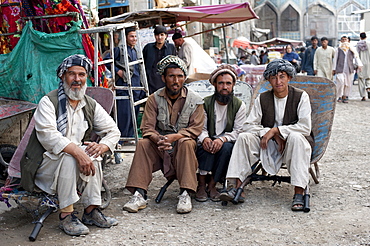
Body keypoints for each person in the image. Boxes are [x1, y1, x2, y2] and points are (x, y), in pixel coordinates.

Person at [31, 54, 121, 236]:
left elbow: (114, 131)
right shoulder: (48, 102)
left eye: (81, 75)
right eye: (72, 74)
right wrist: (78, 153)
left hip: (75, 168)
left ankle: (91, 211)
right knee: (70, 155)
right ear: (62, 76)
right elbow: (48, 136)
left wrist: (102, 146)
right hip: (45, 167)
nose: (77, 79)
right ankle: (67, 215)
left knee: (92, 153)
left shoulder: (89, 104)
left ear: (86, 77)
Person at [220, 59, 314, 211]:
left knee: (296, 137)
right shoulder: (262, 98)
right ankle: (236, 187)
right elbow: (248, 125)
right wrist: (268, 133)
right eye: (273, 77)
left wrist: (277, 131)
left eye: (282, 76)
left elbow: (305, 127)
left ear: (289, 77)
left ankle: (298, 192)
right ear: (268, 79)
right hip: (267, 144)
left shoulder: (301, 96)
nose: (278, 81)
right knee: (244, 137)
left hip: (292, 145)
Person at [122, 55, 204, 214]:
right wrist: (158, 138)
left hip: (182, 145)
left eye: (180, 76)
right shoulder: (154, 98)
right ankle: (140, 194)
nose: (176, 80)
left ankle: (185, 193)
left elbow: (195, 129)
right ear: (163, 78)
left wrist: (175, 137)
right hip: (160, 145)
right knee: (143, 144)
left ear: (184, 78)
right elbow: (147, 127)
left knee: (186, 143)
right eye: (171, 76)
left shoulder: (195, 100)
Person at [195, 65, 247, 202]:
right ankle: (201, 185)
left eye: (228, 83)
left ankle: (212, 185)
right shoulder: (205, 103)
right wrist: (205, 138)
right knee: (206, 147)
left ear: (233, 85)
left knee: (226, 149)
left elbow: (239, 130)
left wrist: (222, 139)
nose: (224, 87)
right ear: (215, 85)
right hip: (208, 138)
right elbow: (200, 127)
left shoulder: (239, 105)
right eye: (221, 83)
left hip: (225, 142)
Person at [104, 27, 145, 138]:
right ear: (126, 37)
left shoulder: (136, 50)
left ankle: (130, 136)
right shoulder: (119, 50)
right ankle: (121, 138)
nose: (134, 39)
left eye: (135, 36)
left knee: (134, 113)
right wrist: (118, 71)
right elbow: (106, 61)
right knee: (124, 114)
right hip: (124, 86)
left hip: (136, 85)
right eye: (131, 36)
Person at [143, 25, 176, 94]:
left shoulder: (171, 47)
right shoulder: (148, 48)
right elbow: (143, 64)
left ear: (166, 36)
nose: (159, 37)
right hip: (151, 80)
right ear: (154, 36)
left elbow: (174, 64)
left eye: (162, 35)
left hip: (165, 80)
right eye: (157, 35)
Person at [333, 36, 363, 103]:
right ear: (341, 41)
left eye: (345, 39)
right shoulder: (338, 49)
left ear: (348, 40)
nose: (344, 41)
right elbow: (335, 60)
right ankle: (339, 96)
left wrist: (359, 65)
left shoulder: (352, 49)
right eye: (343, 40)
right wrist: (334, 69)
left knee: (348, 83)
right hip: (340, 69)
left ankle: (345, 96)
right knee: (341, 82)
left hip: (349, 69)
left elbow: (356, 57)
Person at [356, 32, 370, 101]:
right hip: (368, 63)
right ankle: (368, 88)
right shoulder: (369, 44)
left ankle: (363, 96)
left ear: (360, 37)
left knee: (361, 79)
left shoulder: (358, 45)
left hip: (360, 64)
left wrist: (356, 65)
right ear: (366, 37)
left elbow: (356, 55)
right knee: (368, 78)